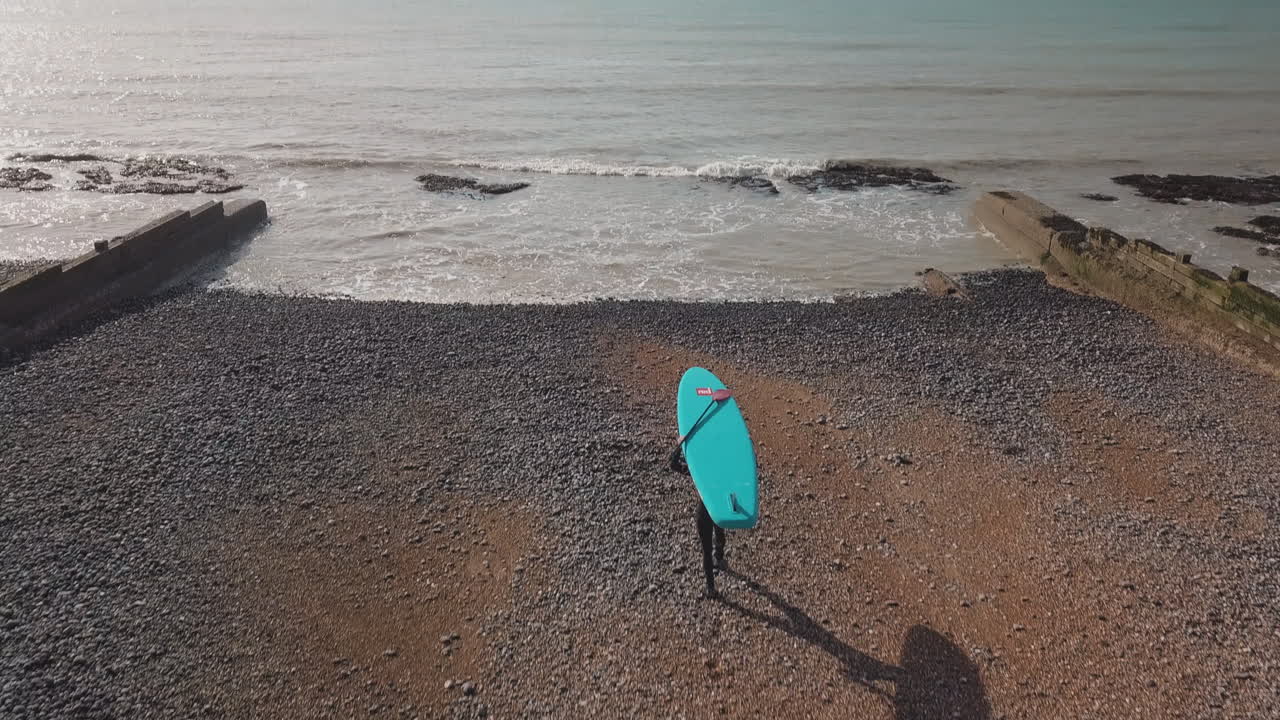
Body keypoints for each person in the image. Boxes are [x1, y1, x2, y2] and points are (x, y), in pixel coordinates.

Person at [670, 446, 726, 597]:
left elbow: (673, 464)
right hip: (716, 510)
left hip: (707, 513)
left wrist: (679, 447)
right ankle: (717, 563)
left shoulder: (700, 471)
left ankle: (711, 587)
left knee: (708, 549)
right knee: (715, 542)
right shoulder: (722, 470)